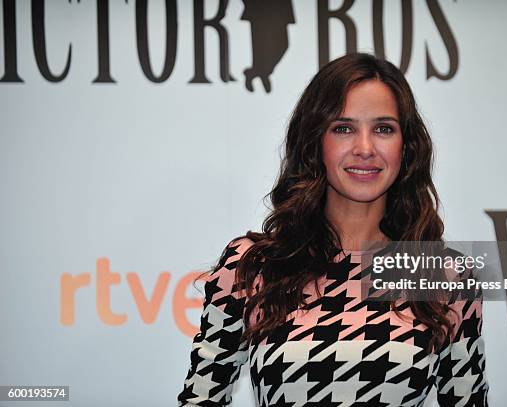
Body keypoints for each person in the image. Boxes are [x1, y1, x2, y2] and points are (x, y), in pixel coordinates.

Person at [177, 52, 489, 406]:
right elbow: (200, 400)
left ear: (407, 147)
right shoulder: (252, 266)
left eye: (383, 129)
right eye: (344, 128)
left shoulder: (444, 276)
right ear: (315, 142)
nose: (365, 148)